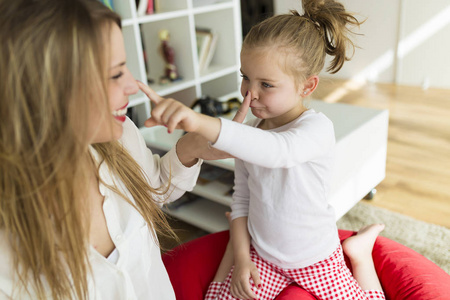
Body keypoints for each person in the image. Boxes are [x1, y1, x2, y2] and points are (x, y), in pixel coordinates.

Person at [136, 0, 387, 299]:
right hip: (264, 257)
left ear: (307, 87)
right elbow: (242, 200)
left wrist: (199, 122)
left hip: (316, 258)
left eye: (266, 84)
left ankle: (359, 253)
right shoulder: (252, 132)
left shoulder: (316, 130)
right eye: (245, 77)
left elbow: (277, 151)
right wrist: (242, 259)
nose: (249, 93)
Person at [0, 0, 232, 299]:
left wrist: (191, 148)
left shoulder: (120, 137)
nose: (133, 86)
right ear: (47, 90)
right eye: (114, 74)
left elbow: (150, 192)